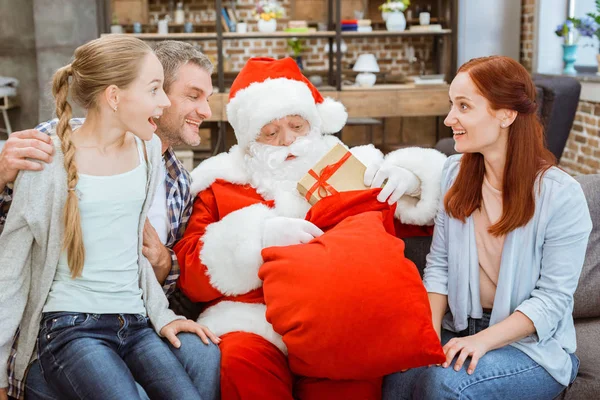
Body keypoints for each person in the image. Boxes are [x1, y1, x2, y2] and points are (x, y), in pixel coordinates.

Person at [173, 57, 448, 400]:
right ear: (249, 141)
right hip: (255, 321)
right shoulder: (221, 183)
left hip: (338, 320)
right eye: (270, 132)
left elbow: (428, 230)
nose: (287, 140)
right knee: (243, 364)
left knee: (352, 379)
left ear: (315, 124)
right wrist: (256, 239)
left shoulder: (350, 167)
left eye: (297, 126)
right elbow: (189, 273)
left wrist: (414, 182)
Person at [0, 35, 220, 400]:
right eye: (191, 95)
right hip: (68, 326)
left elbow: (131, 253)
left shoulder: (159, 164)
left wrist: (165, 295)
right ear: (115, 97)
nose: (205, 110)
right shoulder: (45, 151)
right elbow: (13, 262)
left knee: (197, 371)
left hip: (134, 322)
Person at [382, 56, 592, 399]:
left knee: (446, 385)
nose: (450, 119)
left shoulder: (561, 196)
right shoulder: (454, 174)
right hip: (459, 327)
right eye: (452, 105)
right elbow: (438, 268)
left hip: (529, 347)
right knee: (399, 373)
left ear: (505, 114)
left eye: (464, 106)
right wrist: (428, 334)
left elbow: (552, 300)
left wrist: (481, 341)